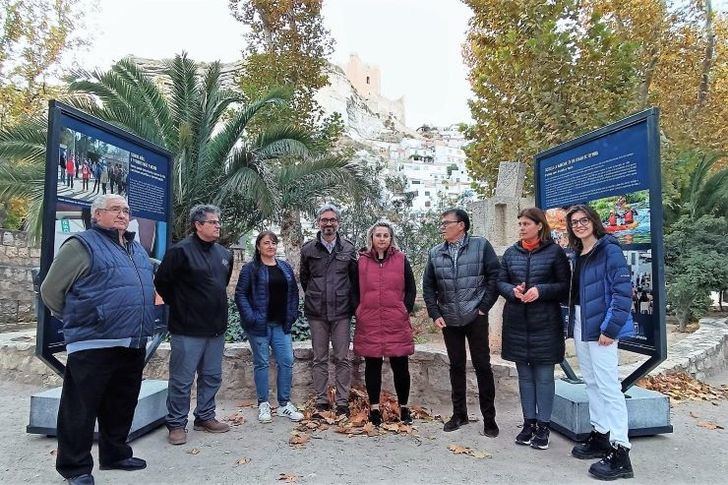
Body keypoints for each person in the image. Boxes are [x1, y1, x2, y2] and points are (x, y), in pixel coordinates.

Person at [40, 194, 155, 485]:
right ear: (97, 215)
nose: (122, 214)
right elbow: (51, 290)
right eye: (115, 209)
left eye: (126, 210)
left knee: (121, 403)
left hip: (132, 340)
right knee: (80, 408)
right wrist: (84, 317)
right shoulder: (82, 245)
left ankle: (115, 454)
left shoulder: (134, 248)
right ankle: (75, 469)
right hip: (94, 342)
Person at [566, 204, 635, 480]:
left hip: (602, 325)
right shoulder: (578, 253)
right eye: (574, 222)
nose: (580, 225)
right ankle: (600, 434)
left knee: (609, 386)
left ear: (594, 221)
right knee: (591, 380)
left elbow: (622, 292)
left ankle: (621, 451)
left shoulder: (610, 250)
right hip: (582, 320)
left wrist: (611, 328)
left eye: (584, 220)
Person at [155, 204, 233, 445]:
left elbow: (222, 283)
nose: (218, 225)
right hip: (187, 329)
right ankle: (177, 423)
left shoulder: (224, 254)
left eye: (218, 221)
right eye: (212, 222)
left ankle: (205, 416)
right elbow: (162, 283)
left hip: (215, 328)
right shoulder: (180, 252)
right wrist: (183, 306)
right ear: (198, 225)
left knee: (212, 376)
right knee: (182, 379)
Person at [422, 208, 501, 437]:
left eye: (447, 223)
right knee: (456, 367)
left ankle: (489, 418)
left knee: (482, 366)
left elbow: (494, 277)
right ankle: (459, 414)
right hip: (449, 319)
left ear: (462, 225)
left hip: (475, 316)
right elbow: (428, 286)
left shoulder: (480, 245)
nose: (442, 227)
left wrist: (484, 308)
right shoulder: (435, 253)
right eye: (442, 223)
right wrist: (435, 313)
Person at [497, 208, 570, 450]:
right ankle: (528, 424)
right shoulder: (511, 253)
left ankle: (544, 427)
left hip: (545, 323)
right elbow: (500, 281)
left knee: (544, 377)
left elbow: (564, 286)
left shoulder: (555, 252)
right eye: (519, 223)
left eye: (526, 223)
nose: (521, 227)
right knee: (525, 377)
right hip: (517, 323)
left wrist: (541, 291)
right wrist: (512, 291)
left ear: (539, 226)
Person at [235, 231, 304, 423]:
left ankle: (284, 404)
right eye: (266, 243)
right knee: (262, 363)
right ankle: (263, 404)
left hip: (281, 324)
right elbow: (240, 295)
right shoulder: (250, 269)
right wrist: (252, 318)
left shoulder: (285, 267)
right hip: (259, 326)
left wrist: (292, 315)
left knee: (286, 361)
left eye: (274, 243)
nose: (271, 246)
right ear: (258, 246)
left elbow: (293, 294)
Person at [353, 222, 416, 426]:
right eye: (378, 235)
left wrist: (403, 310)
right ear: (371, 238)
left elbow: (411, 288)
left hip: (395, 320)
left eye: (386, 235)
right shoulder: (361, 262)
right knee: (373, 365)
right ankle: (374, 410)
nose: (382, 239)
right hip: (369, 320)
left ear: (391, 238)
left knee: (400, 365)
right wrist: (359, 310)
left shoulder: (401, 260)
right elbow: (354, 290)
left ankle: (404, 408)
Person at [300, 203, 357, 417]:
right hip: (317, 312)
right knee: (319, 358)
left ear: (338, 223)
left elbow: (353, 280)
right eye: (324, 220)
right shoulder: (308, 249)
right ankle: (322, 401)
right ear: (318, 223)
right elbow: (305, 278)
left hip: (342, 312)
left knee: (342, 358)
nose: (328, 224)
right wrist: (317, 294)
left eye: (332, 220)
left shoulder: (349, 249)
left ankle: (342, 403)